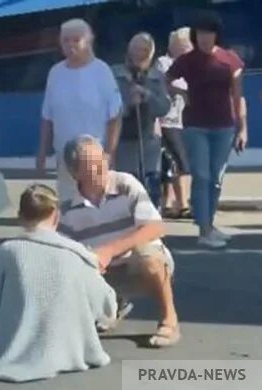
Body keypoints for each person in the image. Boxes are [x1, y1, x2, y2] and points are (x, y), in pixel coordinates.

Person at [0, 184, 117, 382]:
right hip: (70, 350)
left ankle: (1, 338)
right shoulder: (78, 253)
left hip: (12, 350)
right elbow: (107, 307)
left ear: (20, 215)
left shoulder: (9, 250)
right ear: (56, 215)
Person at [59, 135, 180, 348]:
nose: (103, 168)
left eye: (103, 160)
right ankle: (113, 304)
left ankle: (169, 319)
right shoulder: (67, 207)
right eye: (93, 166)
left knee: (149, 259)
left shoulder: (124, 183)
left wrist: (109, 250)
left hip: (134, 261)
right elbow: (63, 251)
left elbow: (155, 226)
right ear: (75, 173)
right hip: (102, 272)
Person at [166, 12, 247, 248]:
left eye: (208, 33)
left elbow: (238, 96)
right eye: (200, 33)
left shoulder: (229, 60)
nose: (204, 38)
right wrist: (181, 94)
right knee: (201, 176)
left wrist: (242, 129)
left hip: (224, 127)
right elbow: (167, 78)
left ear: (216, 35)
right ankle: (203, 230)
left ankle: (209, 224)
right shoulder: (187, 60)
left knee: (216, 179)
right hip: (195, 126)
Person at [36, 18, 122, 203]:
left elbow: (115, 115)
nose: (70, 45)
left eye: (76, 40)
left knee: (95, 202)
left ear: (88, 41)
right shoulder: (55, 73)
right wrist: (42, 152)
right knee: (68, 203)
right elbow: (47, 116)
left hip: (94, 154)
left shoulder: (101, 71)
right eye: (66, 40)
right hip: (64, 155)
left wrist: (109, 152)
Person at [113, 32, 171, 208]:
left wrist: (147, 95)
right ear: (129, 51)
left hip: (148, 143)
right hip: (122, 142)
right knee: (125, 191)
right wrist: (128, 103)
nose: (140, 53)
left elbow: (164, 107)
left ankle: (150, 227)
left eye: (145, 50)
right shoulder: (114, 74)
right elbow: (105, 108)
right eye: (137, 49)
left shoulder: (156, 77)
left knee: (151, 191)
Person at [156, 27, 193, 219]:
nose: (188, 49)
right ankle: (183, 204)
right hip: (167, 120)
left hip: (183, 121)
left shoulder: (191, 65)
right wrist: (183, 93)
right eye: (185, 45)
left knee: (172, 163)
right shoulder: (164, 63)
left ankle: (169, 203)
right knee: (181, 161)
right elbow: (166, 85)